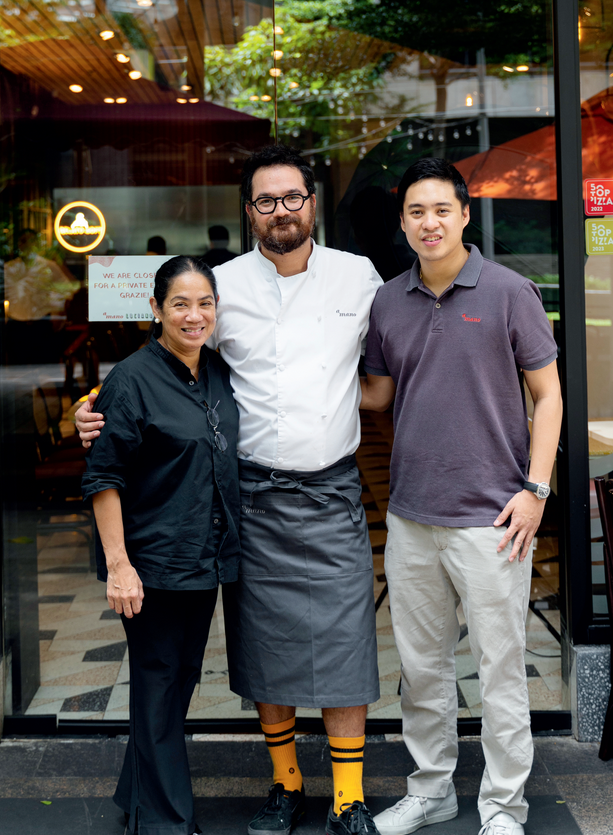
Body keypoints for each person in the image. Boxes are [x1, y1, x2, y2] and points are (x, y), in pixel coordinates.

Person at [77, 145, 383, 835]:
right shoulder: (223, 285)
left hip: (332, 491)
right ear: (249, 211)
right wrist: (93, 408)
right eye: (265, 201)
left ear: (312, 203)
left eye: (292, 198)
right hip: (246, 499)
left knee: (345, 642)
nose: (280, 211)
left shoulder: (358, 278)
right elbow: (169, 369)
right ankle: (284, 785)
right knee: (263, 646)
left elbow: (391, 371)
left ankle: (348, 798)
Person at [360, 158, 563, 835]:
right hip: (412, 517)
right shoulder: (387, 300)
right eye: (416, 211)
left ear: (464, 213)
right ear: (402, 221)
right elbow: (377, 396)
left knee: (499, 669)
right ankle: (431, 790)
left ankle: (503, 806)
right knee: (420, 671)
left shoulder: (509, 291)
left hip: (493, 517)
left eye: (441, 209)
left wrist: (535, 489)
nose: (429, 222)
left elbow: (549, 395)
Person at [81, 256, 240, 835]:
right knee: (156, 680)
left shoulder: (217, 371)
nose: (194, 316)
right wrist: (119, 565)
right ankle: (166, 822)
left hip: (204, 557)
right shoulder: (131, 378)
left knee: (177, 682)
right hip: (151, 562)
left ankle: (136, 791)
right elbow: (104, 477)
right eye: (180, 304)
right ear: (155, 309)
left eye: (205, 303)